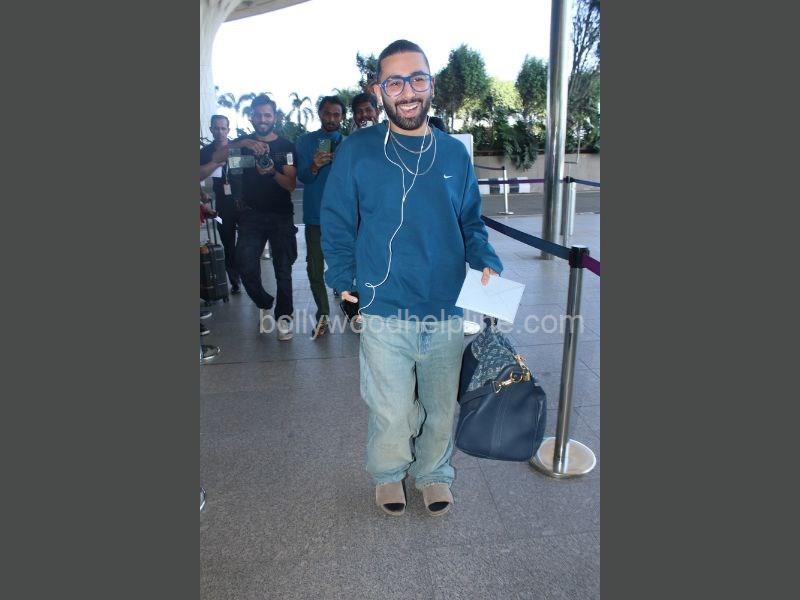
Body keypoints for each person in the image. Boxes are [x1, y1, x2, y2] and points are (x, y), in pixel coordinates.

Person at [321, 40, 502, 517]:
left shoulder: (454, 154)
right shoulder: (358, 152)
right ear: (378, 90)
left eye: (416, 79)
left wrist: (485, 258)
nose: (407, 92)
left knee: (440, 407)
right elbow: (336, 222)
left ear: (431, 84)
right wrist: (342, 278)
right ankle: (388, 473)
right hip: (383, 304)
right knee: (393, 408)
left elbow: (470, 222)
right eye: (395, 82)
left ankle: (434, 474)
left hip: (444, 305)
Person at [234, 95, 298, 341]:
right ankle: (264, 302)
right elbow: (221, 155)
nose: (263, 119)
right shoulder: (242, 145)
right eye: (258, 114)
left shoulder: (286, 146)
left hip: (281, 215)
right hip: (251, 216)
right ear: (251, 117)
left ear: (274, 118)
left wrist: (271, 172)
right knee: (245, 264)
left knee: (283, 270)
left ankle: (284, 318)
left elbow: (290, 185)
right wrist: (244, 142)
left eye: (267, 115)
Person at [295, 96, 345, 339]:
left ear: (342, 117)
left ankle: (353, 309)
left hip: (344, 218)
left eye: (336, 114)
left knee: (347, 267)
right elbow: (303, 178)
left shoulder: (349, 144)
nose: (331, 119)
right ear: (320, 114)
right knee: (314, 268)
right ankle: (323, 315)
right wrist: (314, 165)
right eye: (327, 113)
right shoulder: (305, 142)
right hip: (315, 217)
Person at [200, 115, 241, 294]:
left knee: (247, 240)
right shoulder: (205, 153)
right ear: (211, 129)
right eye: (216, 128)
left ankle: (246, 271)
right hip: (222, 204)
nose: (220, 132)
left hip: (242, 201)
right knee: (227, 239)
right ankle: (234, 280)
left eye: (223, 128)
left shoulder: (236, 148)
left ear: (228, 130)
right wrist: (202, 194)